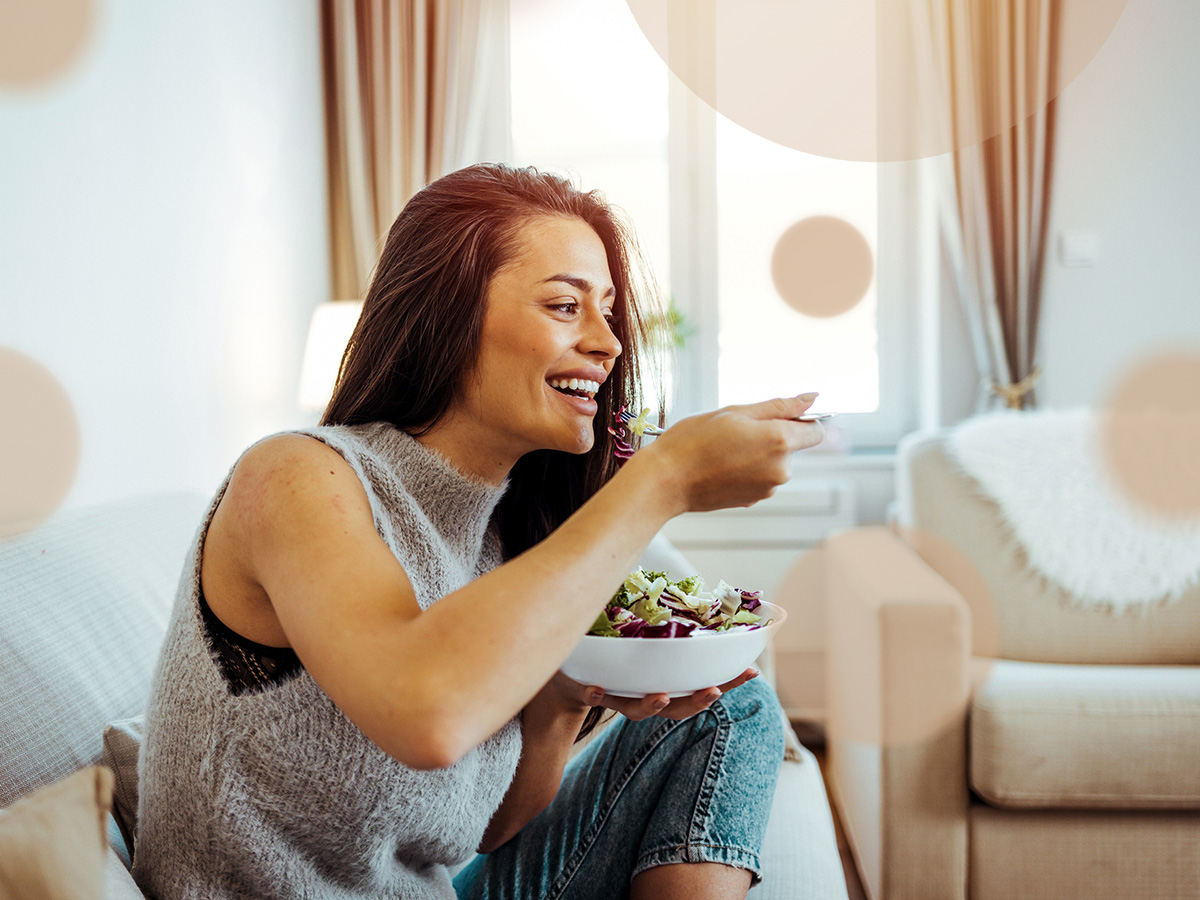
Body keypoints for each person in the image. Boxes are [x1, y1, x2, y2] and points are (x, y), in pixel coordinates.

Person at [132, 164, 824, 900]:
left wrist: (559, 701)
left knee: (736, 707)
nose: (610, 343)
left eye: (609, 311)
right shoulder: (297, 477)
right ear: (447, 318)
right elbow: (427, 716)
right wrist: (663, 481)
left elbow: (480, 834)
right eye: (565, 305)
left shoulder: (498, 540)